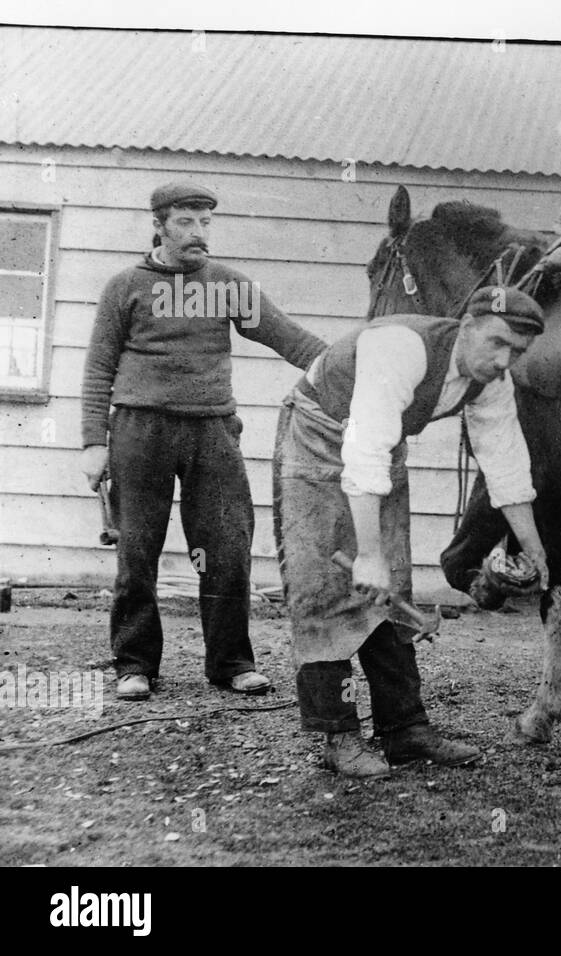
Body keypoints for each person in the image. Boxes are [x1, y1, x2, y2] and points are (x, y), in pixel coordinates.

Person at [274, 287, 549, 778]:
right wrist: (367, 555)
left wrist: (534, 549)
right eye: (497, 343)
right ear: (467, 325)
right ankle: (338, 737)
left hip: (379, 446)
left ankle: (405, 730)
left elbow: (506, 465)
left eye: (517, 352)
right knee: (326, 592)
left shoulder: (490, 381)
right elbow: (364, 451)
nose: (503, 361)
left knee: (391, 591)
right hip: (318, 437)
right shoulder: (401, 348)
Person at [80, 181, 327, 702]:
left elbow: (290, 337)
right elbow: (99, 367)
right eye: (187, 222)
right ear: (159, 225)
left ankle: (232, 662)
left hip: (212, 430)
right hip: (138, 431)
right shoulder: (124, 285)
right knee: (138, 551)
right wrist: (91, 443)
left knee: (225, 547)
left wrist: (351, 367)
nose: (199, 233)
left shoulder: (226, 284)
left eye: (206, 222)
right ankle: (135, 664)